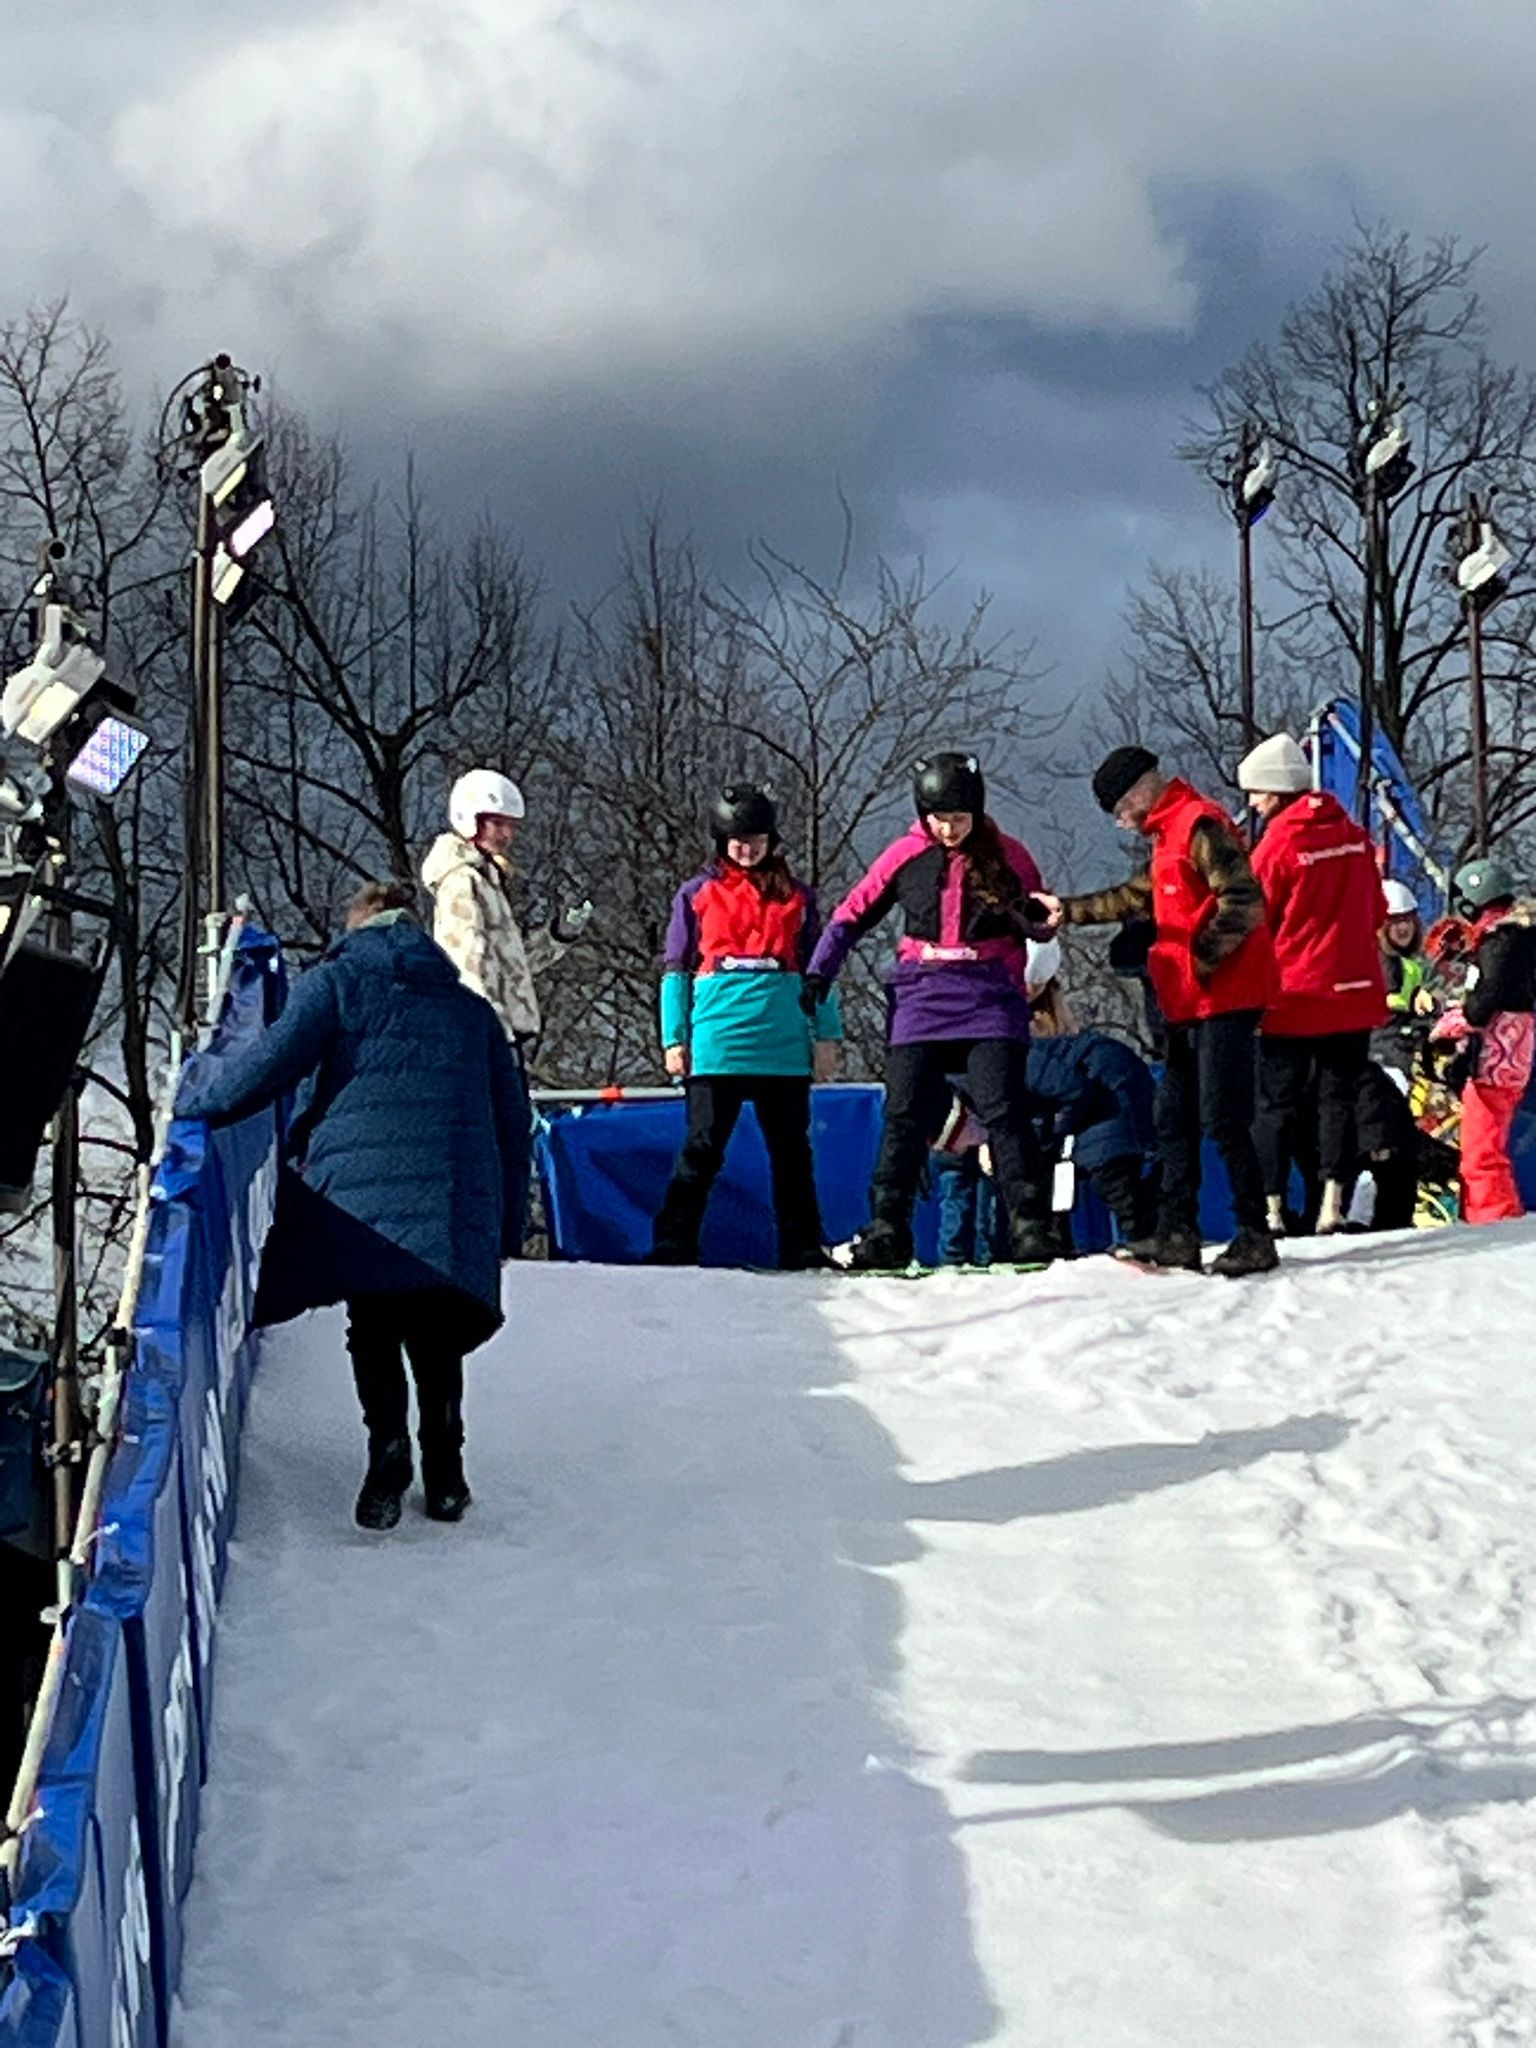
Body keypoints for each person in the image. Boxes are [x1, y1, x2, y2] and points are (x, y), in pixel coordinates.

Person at [176, 879, 529, 1530]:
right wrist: (510, 1226)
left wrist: (191, 1108)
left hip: (363, 1199)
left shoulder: (334, 984)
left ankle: (387, 1456)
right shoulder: (471, 1010)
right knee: (437, 1333)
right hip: (453, 1196)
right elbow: (514, 1123)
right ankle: (446, 1474)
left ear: (357, 926)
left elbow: (266, 1068)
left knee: (375, 1325)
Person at [803, 752, 1056, 1271]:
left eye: (959, 819)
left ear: (977, 812)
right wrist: (819, 971)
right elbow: (854, 912)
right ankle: (888, 1229)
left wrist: (1040, 922)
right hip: (922, 994)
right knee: (903, 1110)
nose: (948, 830)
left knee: (1004, 1106)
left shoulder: (1008, 855)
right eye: (938, 819)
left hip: (988, 995)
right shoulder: (906, 853)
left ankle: (1029, 1224)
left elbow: (1039, 918)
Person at [1037, 745, 1277, 1276]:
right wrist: (1067, 912)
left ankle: (1254, 1232)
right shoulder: (1168, 837)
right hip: (1189, 1003)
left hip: (1224, 999)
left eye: (1121, 809)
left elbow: (1243, 901)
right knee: (1173, 1117)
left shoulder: (1199, 825)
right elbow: (1135, 898)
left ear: (1141, 790)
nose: (1122, 822)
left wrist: (1200, 960)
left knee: (1223, 1116)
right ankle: (1177, 1232)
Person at [649, 785, 841, 1268]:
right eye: (737, 840)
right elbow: (676, 968)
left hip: (782, 1044)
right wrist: (674, 1038)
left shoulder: (797, 896)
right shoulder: (696, 894)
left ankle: (802, 1247)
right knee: (702, 1148)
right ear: (721, 841)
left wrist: (826, 1035)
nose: (747, 849)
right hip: (718, 1042)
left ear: (771, 840)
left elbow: (820, 970)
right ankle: (674, 1244)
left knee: (792, 1153)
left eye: (756, 839)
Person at [1238, 732, 1389, 1237]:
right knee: (1338, 1099)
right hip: (1355, 992)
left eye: (1257, 792)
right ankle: (1332, 1204)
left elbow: (1254, 921)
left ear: (1278, 791)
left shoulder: (1277, 845)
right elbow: (1377, 910)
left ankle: (1273, 1208)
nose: (1253, 803)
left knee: (1276, 1106)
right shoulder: (1355, 837)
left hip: (1294, 996)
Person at [1430, 857, 1536, 1224]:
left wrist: (1453, 1022)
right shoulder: (1519, 938)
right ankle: (1484, 1214)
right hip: (1512, 1054)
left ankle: (1494, 1218)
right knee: (1484, 1144)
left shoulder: (1499, 941)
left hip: (1496, 1058)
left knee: (1481, 1150)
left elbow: (1484, 1002)